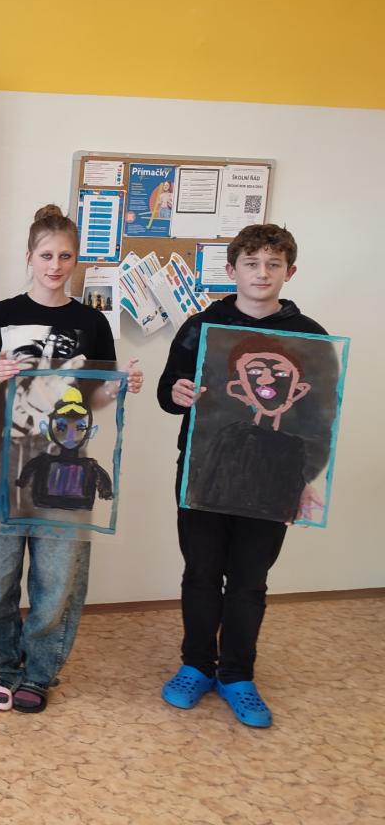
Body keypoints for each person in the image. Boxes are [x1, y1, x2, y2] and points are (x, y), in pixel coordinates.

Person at [0, 204, 143, 714]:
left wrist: (118, 386)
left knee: (59, 576)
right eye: (46, 255)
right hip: (1, 459)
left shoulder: (91, 322)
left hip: (67, 464)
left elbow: (94, 399)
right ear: (29, 256)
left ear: (76, 260)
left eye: (65, 256)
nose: (55, 266)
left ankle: (40, 672)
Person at [157, 223, 326, 728]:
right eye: (251, 264)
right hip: (204, 470)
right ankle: (195, 665)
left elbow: (319, 419)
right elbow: (168, 392)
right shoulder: (200, 327)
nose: (262, 273)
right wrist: (177, 393)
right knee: (201, 572)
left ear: (290, 272)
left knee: (250, 579)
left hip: (274, 482)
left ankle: (237, 674)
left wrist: (305, 481)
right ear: (231, 270)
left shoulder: (310, 336)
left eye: (274, 264)